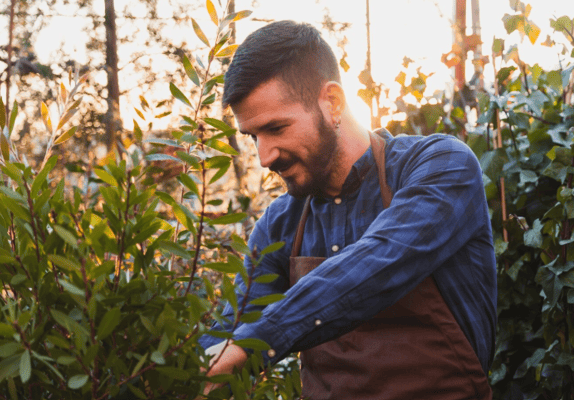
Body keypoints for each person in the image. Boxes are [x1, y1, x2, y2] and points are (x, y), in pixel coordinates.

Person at [198, 20, 497, 399]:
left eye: (276, 128)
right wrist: (192, 369)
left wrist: (250, 346)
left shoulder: (439, 166)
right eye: (253, 136)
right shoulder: (279, 225)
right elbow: (232, 327)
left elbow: (378, 261)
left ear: (333, 102)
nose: (264, 156)